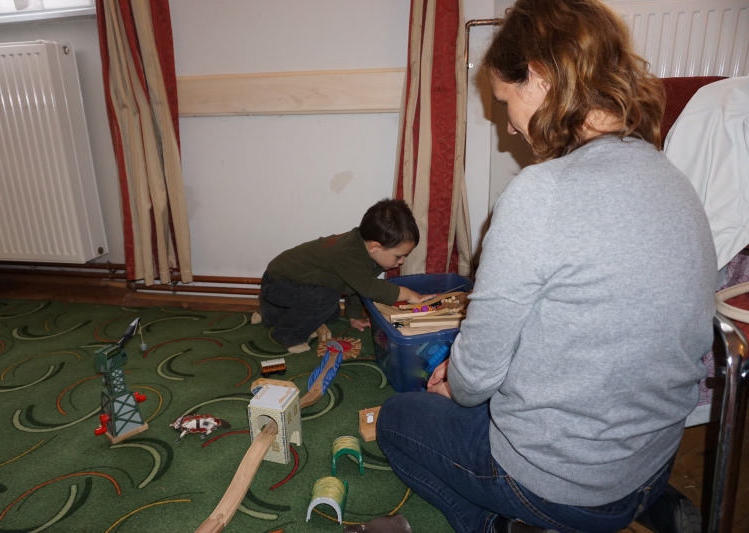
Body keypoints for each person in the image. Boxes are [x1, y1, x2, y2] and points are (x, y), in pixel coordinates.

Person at [376, 1, 717, 533]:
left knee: (397, 420)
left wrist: (457, 385)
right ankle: (636, 505)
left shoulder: (541, 193)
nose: (510, 129)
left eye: (505, 101)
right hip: (651, 462)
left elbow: (475, 380)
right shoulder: (673, 180)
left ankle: (500, 525)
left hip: (563, 483)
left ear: (538, 78)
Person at [254, 198, 434, 353]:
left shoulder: (369, 252)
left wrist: (353, 315)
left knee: (331, 313)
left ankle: (269, 313)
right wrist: (409, 295)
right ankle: (286, 334)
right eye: (399, 256)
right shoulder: (348, 254)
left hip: (292, 282)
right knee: (325, 300)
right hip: (277, 284)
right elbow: (368, 287)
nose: (401, 261)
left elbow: (355, 285)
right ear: (375, 247)